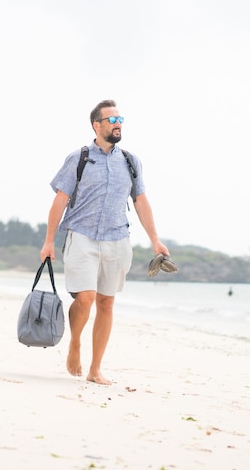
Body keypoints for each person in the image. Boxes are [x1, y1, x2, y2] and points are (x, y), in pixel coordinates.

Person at [40, 99, 169, 385]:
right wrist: (49, 242)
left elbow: (141, 201)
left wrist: (155, 240)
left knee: (106, 303)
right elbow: (59, 201)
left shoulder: (130, 162)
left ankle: (95, 369)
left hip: (117, 238)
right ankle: (75, 343)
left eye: (120, 119)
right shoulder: (80, 158)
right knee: (84, 299)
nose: (118, 124)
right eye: (111, 120)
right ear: (96, 125)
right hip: (82, 236)